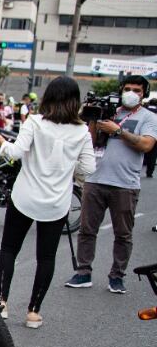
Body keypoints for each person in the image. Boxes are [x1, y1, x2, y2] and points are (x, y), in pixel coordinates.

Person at [0, 77, 95, 328]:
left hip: (24, 196)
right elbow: (88, 168)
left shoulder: (34, 122)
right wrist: (69, 168)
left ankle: (1, 303)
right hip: (56, 203)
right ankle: (33, 312)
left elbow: (15, 154)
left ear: (48, 97)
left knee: (9, 250)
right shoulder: (82, 132)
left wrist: (0, 142)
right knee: (46, 257)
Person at [65, 75, 157, 294]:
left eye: (137, 89)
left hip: (125, 183)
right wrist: (93, 118)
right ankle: (83, 272)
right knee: (87, 230)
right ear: (121, 89)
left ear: (144, 94)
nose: (132, 93)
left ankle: (117, 276)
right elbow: (90, 141)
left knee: (123, 234)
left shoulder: (148, 117)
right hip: (95, 180)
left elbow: (146, 144)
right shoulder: (107, 111)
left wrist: (118, 131)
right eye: (128, 88)